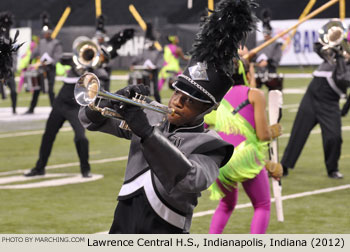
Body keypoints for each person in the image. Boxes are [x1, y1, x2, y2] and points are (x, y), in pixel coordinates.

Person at [78, 0, 257, 233]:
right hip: (121, 226)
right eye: (177, 92)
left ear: (210, 108)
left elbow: (190, 179)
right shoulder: (151, 115)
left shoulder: (212, 146)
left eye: (191, 100)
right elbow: (88, 120)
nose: (177, 102)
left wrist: (148, 134)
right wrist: (111, 100)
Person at [205, 56, 282, 234]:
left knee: (226, 205)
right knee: (262, 205)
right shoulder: (254, 94)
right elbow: (262, 136)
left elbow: (206, 123)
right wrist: (274, 130)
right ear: (247, 73)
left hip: (221, 158)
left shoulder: (217, 97)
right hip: (245, 157)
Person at [281, 19, 350, 179]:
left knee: (334, 137)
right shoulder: (336, 50)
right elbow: (317, 47)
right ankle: (284, 165)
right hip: (312, 95)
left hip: (330, 101)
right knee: (299, 132)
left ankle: (332, 169)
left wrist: (344, 110)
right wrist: (336, 51)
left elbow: (343, 80)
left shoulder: (343, 60)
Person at [24, 53, 94, 178]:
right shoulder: (75, 62)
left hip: (74, 107)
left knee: (81, 138)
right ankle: (40, 168)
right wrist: (73, 63)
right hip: (60, 103)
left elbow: (96, 78)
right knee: (48, 136)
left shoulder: (94, 67)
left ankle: (85, 170)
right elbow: (61, 60)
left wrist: (87, 68)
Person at [24, 12, 63, 114]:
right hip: (41, 69)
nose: (45, 34)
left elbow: (58, 56)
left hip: (50, 69)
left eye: (47, 32)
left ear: (50, 32)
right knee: (36, 89)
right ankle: (31, 108)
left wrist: (51, 62)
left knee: (50, 90)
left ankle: (54, 110)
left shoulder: (56, 43)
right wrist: (30, 60)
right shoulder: (41, 42)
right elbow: (35, 52)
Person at [129, 23, 163, 102]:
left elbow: (160, 61)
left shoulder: (157, 52)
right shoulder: (144, 51)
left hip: (153, 72)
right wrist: (133, 64)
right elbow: (137, 58)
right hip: (144, 72)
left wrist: (156, 66)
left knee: (155, 90)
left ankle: (159, 103)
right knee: (143, 89)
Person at [254, 9, 283, 90]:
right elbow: (253, 56)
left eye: (267, 33)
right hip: (259, 72)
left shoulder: (276, 44)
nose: (265, 35)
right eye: (264, 33)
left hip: (271, 71)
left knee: (275, 91)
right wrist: (257, 63)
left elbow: (277, 59)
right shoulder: (258, 43)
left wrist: (267, 62)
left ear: (270, 32)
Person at [0, 12, 18, 114]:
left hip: (8, 69)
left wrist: (12, 67)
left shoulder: (10, 41)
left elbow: (14, 55)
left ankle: (14, 109)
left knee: (13, 91)